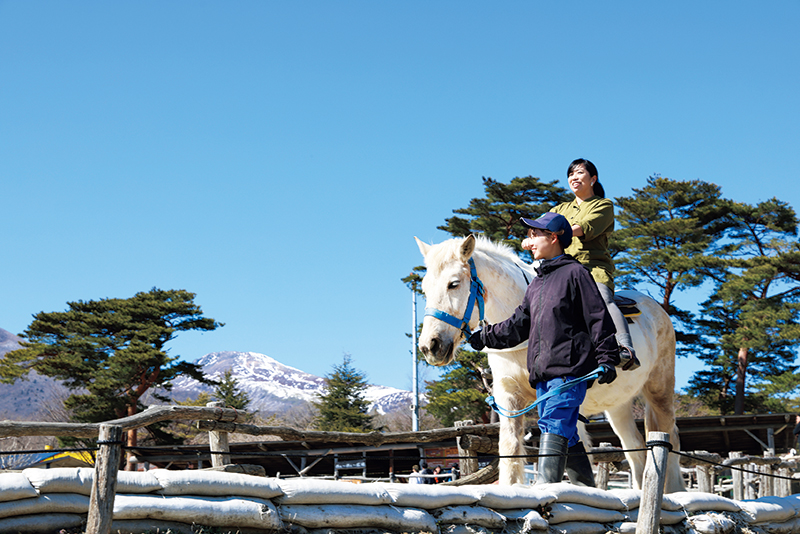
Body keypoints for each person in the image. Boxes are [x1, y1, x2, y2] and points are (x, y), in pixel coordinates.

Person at [469, 212, 620, 486]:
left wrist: (608, 356)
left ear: (554, 237)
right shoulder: (537, 284)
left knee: (554, 424)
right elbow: (517, 325)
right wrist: (485, 336)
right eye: (529, 234)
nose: (530, 240)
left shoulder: (576, 274)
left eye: (535, 234)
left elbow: (598, 317)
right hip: (542, 375)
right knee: (566, 433)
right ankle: (590, 494)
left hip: (569, 371)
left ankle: (544, 493)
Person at [547, 158, 639, 371]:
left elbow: (584, 227)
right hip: (559, 269)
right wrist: (532, 237)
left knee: (602, 300)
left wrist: (558, 232)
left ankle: (625, 347)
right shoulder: (559, 208)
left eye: (579, 172)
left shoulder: (603, 205)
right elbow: (541, 226)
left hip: (592, 268)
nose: (574, 177)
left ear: (593, 179)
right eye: (571, 174)